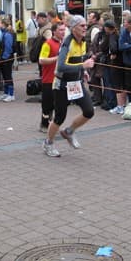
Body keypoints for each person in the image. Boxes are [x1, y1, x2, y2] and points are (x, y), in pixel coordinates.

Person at [43, 15, 95, 157]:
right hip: (62, 84)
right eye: (82, 26)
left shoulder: (83, 42)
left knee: (89, 111)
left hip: (76, 83)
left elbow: (79, 60)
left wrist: (83, 71)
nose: (85, 28)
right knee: (60, 116)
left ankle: (69, 131)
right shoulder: (67, 43)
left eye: (86, 25)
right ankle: (48, 143)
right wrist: (82, 66)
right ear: (73, 28)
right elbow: (60, 66)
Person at [39, 22, 65, 133]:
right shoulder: (47, 44)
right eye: (60, 30)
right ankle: (44, 124)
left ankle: (52, 123)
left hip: (60, 78)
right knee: (47, 104)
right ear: (54, 31)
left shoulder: (64, 43)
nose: (63, 32)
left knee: (57, 103)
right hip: (48, 78)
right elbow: (41, 60)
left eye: (64, 30)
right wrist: (57, 58)